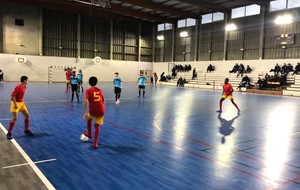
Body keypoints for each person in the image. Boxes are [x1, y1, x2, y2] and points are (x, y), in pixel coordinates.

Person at [83, 76, 106, 149]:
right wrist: (102, 109)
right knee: (97, 126)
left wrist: (85, 112)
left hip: (92, 111)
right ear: (96, 82)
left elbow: (86, 101)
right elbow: (104, 102)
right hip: (101, 110)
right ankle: (95, 144)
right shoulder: (100, 90)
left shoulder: (88, 90)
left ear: (89, 83)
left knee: (89, 119)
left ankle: (89, 134)